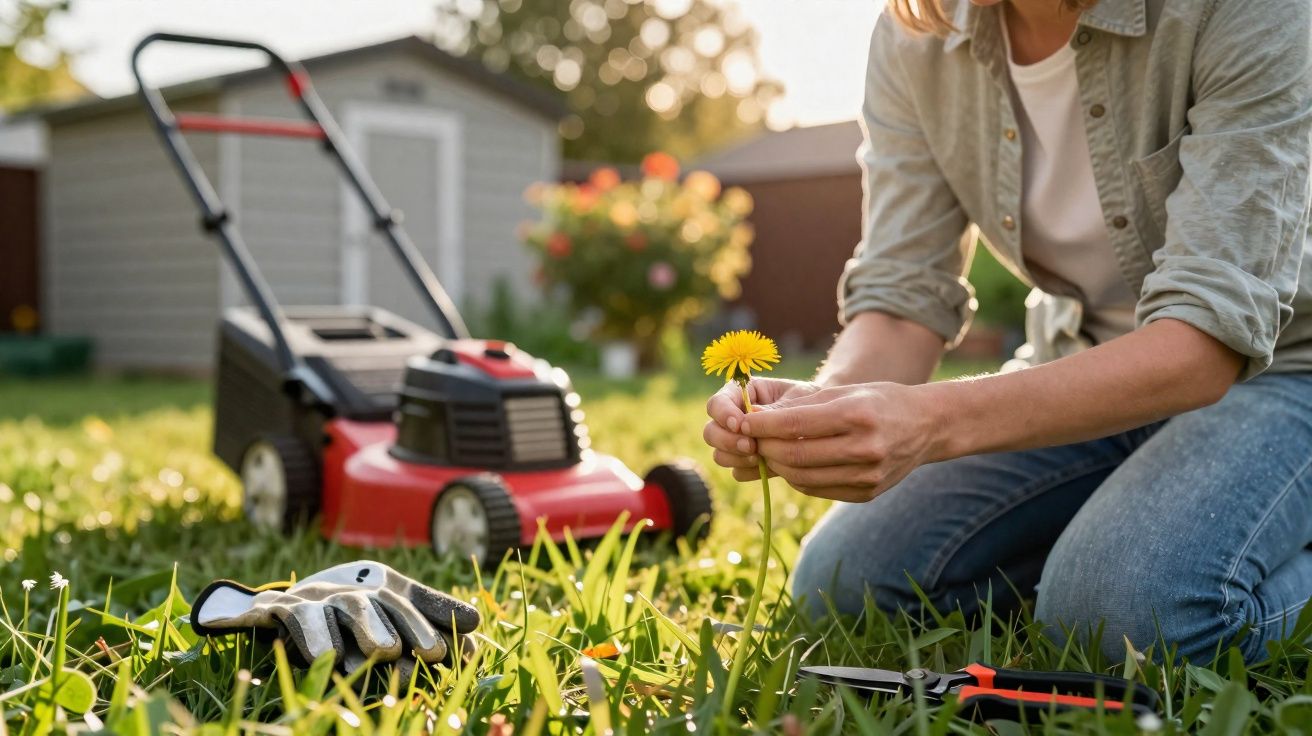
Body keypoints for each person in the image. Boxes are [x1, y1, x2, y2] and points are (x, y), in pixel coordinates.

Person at [703, 0, 1312, 663]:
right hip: (1081, 360)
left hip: (1284, 369)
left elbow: (1203, 343)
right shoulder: (918, 39)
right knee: (845, 586)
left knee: (1125, 621)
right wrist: (825, 406)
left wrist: (931, 421)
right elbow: (904, 293)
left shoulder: (1248, 10)